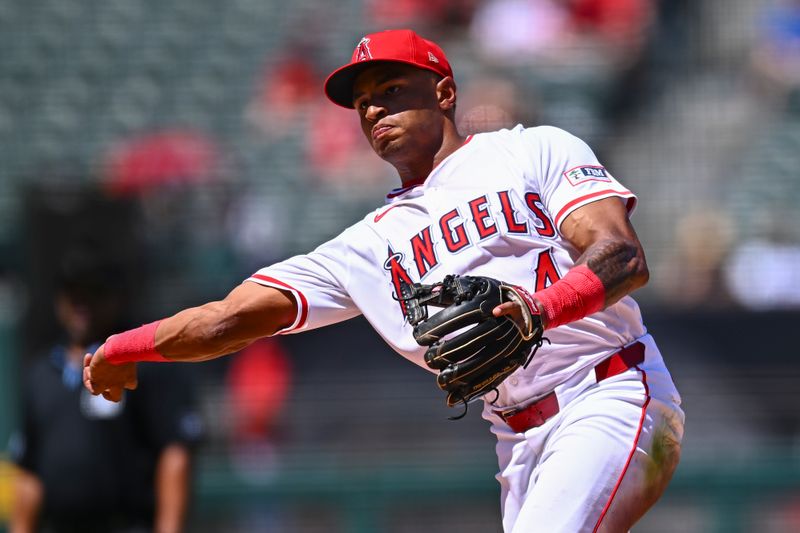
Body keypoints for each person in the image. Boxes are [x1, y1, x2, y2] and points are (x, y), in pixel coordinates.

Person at [84, 29, 685, 532]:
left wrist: (537, 310)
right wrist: (122, 348)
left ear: (444, 92)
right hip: (519, 443)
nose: (373, 109)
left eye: (392, 90)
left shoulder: (530, 152)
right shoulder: (366, 246)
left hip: (608, 392)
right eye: (363, 101)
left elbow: (622, 256)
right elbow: (229, 318)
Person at [10, 250, 203, 533]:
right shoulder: (41, 373)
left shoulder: (143, 362)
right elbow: (30, 473)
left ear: (116, 296)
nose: (81, 303)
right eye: (72, 292)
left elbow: (174, 456)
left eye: (94, 292)